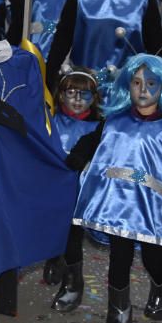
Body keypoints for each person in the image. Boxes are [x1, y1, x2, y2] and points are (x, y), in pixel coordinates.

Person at [64, 55, 162, 323]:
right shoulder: (114, 122)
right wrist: (79, 155)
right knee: (119, 259)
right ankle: (119, 316)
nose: (143, 90)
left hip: (153, 208)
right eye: (136, 83)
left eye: (151, 83)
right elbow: (93, 142)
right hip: (117, 206)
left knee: (153, 258)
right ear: (127, 85)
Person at [44, 67, 100, 310]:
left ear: (94, 98)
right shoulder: (50, 120)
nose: (77, 100)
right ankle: (54, 258)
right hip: (51, 186)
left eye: (84, 94)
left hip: (79, 193)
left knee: (71, 236)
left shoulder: (99, 128)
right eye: (71, 93)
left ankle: (73, 282)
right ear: (60, 94)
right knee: (48, 226)